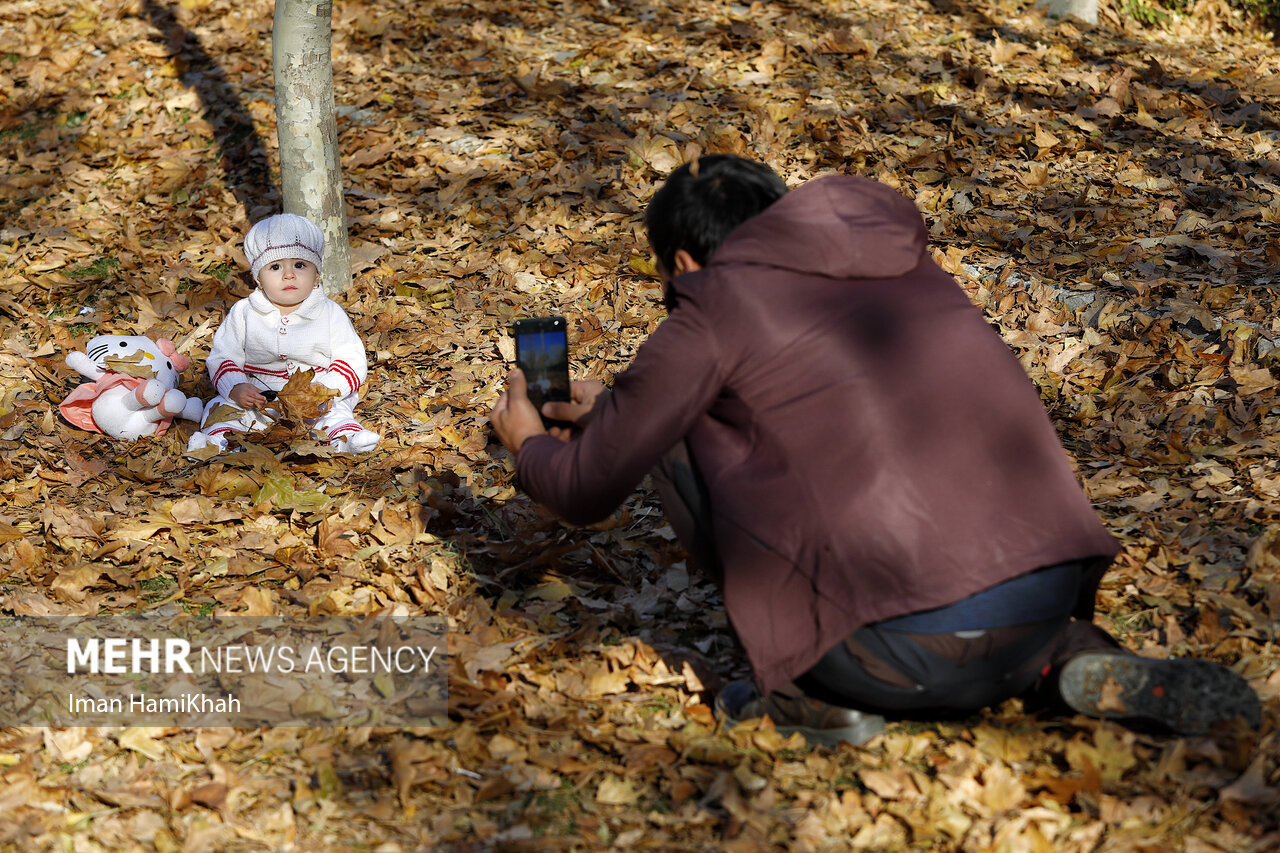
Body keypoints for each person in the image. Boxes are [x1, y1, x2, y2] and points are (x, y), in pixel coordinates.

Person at [490, 155, 1260, 746]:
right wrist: (621, 403)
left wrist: (530, 444)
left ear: (685, 265)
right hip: (1044, 605)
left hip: (887, 654)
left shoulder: (712, 308)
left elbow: (586, 491)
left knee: (678, 429)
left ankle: (809, 691)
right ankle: (1066, 661)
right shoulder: (906, 270)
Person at [187, 213, 380, 454]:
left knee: (333, 414)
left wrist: (323, 390)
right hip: (259, 395)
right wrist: (236, 387)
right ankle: (219, 444)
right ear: (259, 278)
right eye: (275, 267)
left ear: (316, 273)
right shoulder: (244, 312)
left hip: (314, 396)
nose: (289, 275)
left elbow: (350, 360)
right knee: (221, 407)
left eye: (300, 265)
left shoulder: (329, 313)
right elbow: (223, 355)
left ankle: (345, 439)